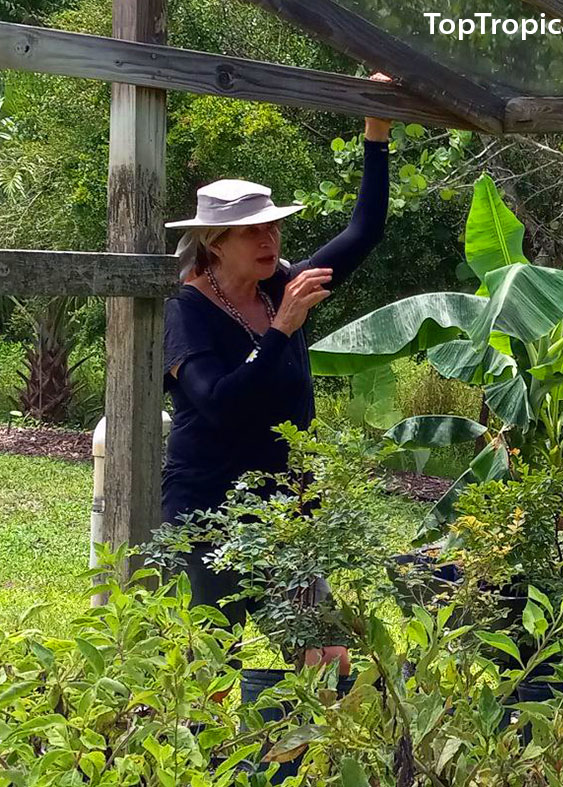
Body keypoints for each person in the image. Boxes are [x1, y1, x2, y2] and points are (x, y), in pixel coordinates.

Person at [159, 73, 394, 673]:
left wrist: (375, 131)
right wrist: (280, 330)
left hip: (287, 509)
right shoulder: (189, 311)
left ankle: (311, 762)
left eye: (274, 226)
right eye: (252, 231)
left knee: (330, 658)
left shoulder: (279, 285)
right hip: (210, 511)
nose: (270, 239)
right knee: (210, 663)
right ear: (214, 242)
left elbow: (363, 233)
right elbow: (220, 403)